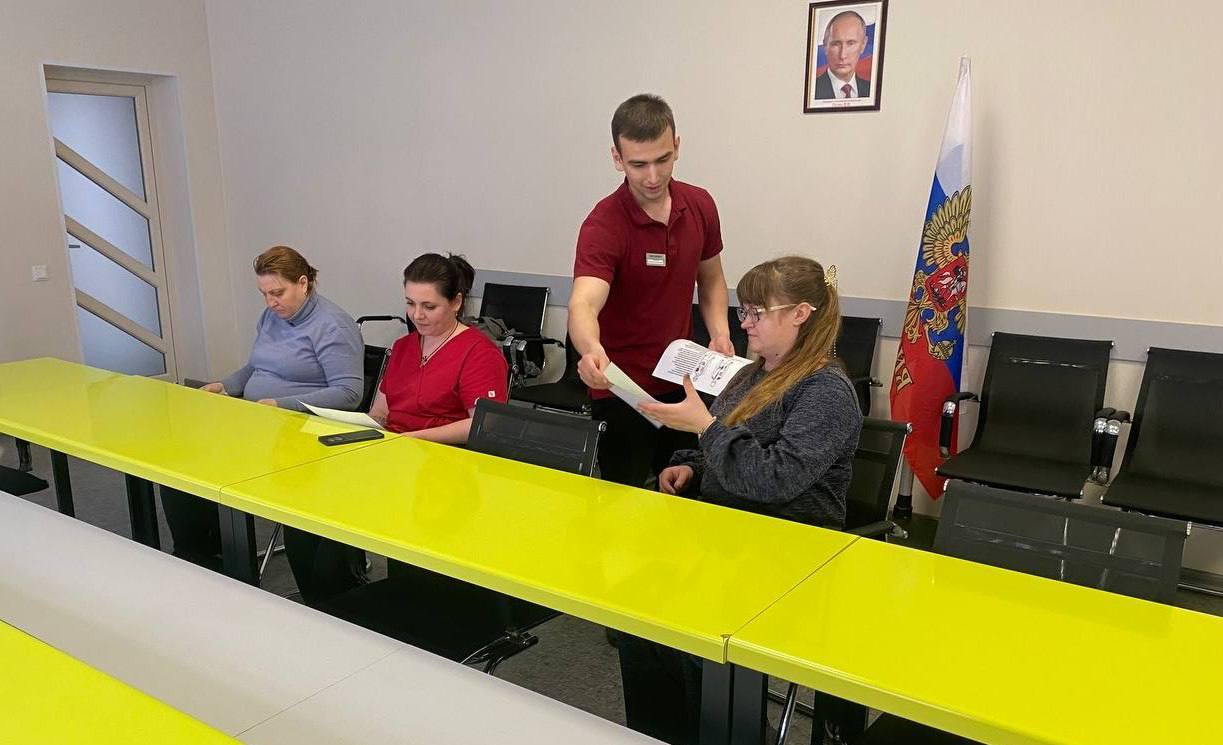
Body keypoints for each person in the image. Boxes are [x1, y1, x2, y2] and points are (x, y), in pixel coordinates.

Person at [623, 256, 864, 745]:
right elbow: (722, 444)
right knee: (638, 618)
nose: (744, 322)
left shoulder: (826, 391)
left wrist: (705, 428)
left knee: (691, 632)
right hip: (730, 539)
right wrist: (693, 465)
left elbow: (774, 479)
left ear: (800, 314)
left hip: (790, 554)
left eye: (756, 312)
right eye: (743, 310)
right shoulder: (749, 376)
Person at [162, 246, 366, 603]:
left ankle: (228, 561)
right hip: (261, 425)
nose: (271, 302)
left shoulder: (332, 325)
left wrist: (281, 405)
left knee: (218, 468)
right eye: (264, 294)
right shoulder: (272, 317)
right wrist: (226, 385)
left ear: (303, 283)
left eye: (278, 293)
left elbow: (349, 393)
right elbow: (256, 366)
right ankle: (202, 559)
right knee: (181, 470)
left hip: (302, 434)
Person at [569, 93, 732, 489]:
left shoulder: (699, 204)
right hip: (622, 389)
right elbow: (584, 302)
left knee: (683, 488)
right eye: (639, 165)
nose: (653, 177)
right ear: (617, 158)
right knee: (624, 498)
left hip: (683, 382)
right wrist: (591, 349)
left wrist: (720, 332)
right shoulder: (604, 224)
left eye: (663, 160)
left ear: (677, 146)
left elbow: (711, 278)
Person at [368, 253, 508, 443]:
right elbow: (381, 411)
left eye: (429, 307)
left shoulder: (479, 353)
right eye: (410, 303)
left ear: (456, 302)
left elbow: (483, 422)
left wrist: (413, 437)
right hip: (395, 444)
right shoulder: (403, 346)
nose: (417, 315)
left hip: (441, 450)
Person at [813, 10, 871, 100]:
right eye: (836, 44)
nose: (842, 55)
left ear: (863, 45)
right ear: (825, 46)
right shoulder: (811, 91)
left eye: (851, 43)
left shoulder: (871, 90)